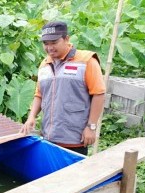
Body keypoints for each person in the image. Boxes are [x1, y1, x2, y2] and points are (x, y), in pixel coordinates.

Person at [20, 21, 106, 156]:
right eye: (45, 43)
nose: (49, 48)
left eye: (54, 42)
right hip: (49, 136)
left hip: (75, 138)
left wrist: (91, 126)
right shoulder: (44, 64)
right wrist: (31, 117)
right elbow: (39, 94)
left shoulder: (86, 61)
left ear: (66, 39)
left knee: (73, 175)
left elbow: (99, 94)